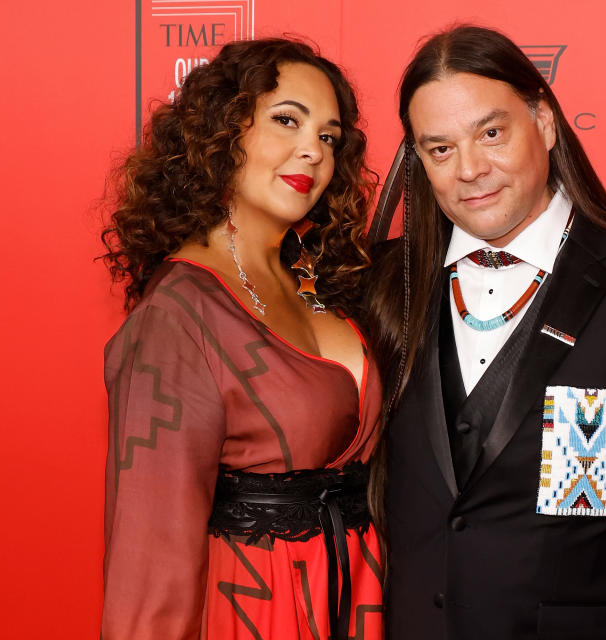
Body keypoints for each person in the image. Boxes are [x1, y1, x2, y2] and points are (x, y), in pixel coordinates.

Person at [365, 25, 606, 640]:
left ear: (544, 121)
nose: (471, 170)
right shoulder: (383, 284)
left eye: (491, 132)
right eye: (439, 149)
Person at [99, 38, 383, 640]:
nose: (313, 150)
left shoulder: (319, 277)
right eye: (287, 121)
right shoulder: (178, 318)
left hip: (363, 598)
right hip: (261, 610)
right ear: (221, 135)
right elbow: (149, 561)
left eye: (329, 138)